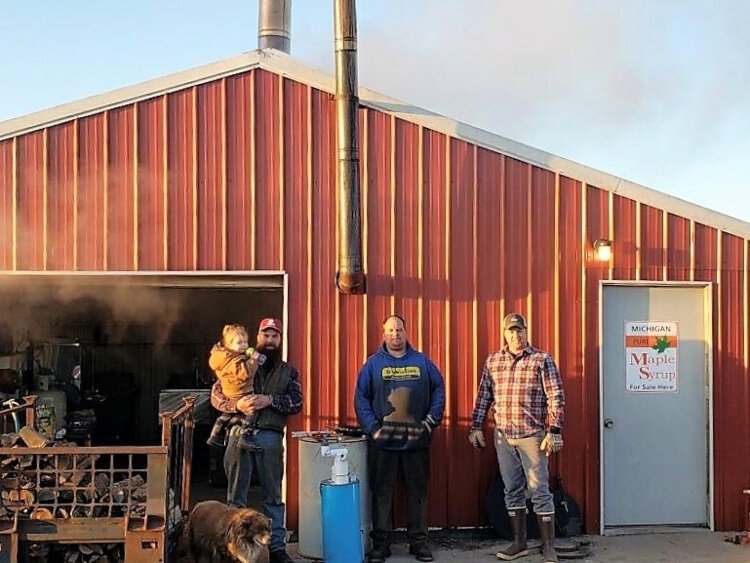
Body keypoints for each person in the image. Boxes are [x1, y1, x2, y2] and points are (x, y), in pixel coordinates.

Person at [468, 312, 565, 563]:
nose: (515, 335)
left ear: (526, 331)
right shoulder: (493, 362)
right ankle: (519, 543)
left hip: (533, 436)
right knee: (512, 489)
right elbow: (483, 397)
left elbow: (555, 395)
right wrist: (476, 427)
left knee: (539, 490)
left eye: (519, 330)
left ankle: (548, 548)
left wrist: (554, 430)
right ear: (504, 332)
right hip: (503, 437)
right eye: (511, 330)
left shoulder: (541, 360)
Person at [354, 315, 446, 563]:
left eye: (399, 329)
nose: (395, 334)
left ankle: (419, 543)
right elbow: (361, 398)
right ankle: (381, 545)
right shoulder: (372, 364)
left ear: (406, 332)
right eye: (390, 330)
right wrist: (373, 429)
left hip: (417, 442)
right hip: (383, 444)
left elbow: (439, 388)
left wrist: (430, 421)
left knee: (417, 494)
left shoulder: (422, 362)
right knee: (382, 494)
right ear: (383, 334)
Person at [210, 317, 302, 563]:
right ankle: (231, 549)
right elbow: (216, 397)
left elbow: (297, 403)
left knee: (273, 496)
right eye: (266, 336)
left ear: (280, 340)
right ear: (257, 339)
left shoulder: (288, 371)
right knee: (235, 497)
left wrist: (270, 400)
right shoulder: (237, 361)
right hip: (238, 432)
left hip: (270, 436)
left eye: (275, 336)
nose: (270, 341)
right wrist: (236, 404)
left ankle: (277, 550)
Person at [206, 323, 265, 451]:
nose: (244, 345)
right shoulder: (234, 360)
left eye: (245, 342)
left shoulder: (222, 358)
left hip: (229, 393)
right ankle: (245, 438)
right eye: (239, 343)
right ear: (229, 346)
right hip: (241, 392)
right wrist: (253, 360)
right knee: (252, 413)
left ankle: (214, 436)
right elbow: (245, 373)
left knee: (225, 415)